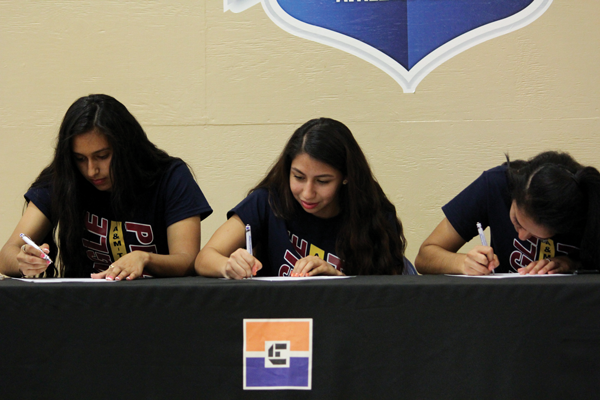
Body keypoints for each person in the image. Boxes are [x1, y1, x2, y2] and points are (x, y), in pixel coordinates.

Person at [0, 94, 212, 280]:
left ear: (127, 148)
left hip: (156, 305)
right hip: (85, 306)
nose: (92, 170)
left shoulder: (170, 177)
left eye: (102, 156)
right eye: (80, 159)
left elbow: (187, 260)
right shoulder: (64, 178)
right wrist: (23, 262)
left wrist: (145, 258)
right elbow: (6, 254)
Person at [195, 118, 413, 279]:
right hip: (280, 323)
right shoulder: (268, 201)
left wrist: (337, 276)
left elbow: (388, 292)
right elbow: (204, 258)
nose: (307, 193)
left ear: (346, 177)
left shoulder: (373, 211)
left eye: (323, 181)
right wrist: (228, 265)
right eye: (298, 177)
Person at [415, 151, 600, 275]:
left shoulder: (588, 203)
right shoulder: (495, 185)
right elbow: (425, 256)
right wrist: (463, 263)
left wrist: (574, 265)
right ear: (512, 193)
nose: (521, 235)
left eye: (538, 236)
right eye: (517, 221)